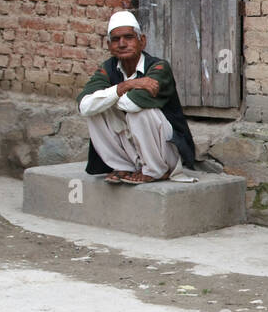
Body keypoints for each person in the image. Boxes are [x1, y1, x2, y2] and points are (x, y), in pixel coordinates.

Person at [75, 11, 196, 184]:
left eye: (129, 37)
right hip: (133, 152)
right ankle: (124, 166)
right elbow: (85, 106)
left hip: (168, 150)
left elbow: (131, 104)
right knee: (95, 111)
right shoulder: (108, 69)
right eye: (116, 40)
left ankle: (156, 169)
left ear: (142, 41)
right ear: (109, 46)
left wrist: (108, 97)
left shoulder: (159, 67)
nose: (122, 44)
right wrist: (126, 85)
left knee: (138, 111)